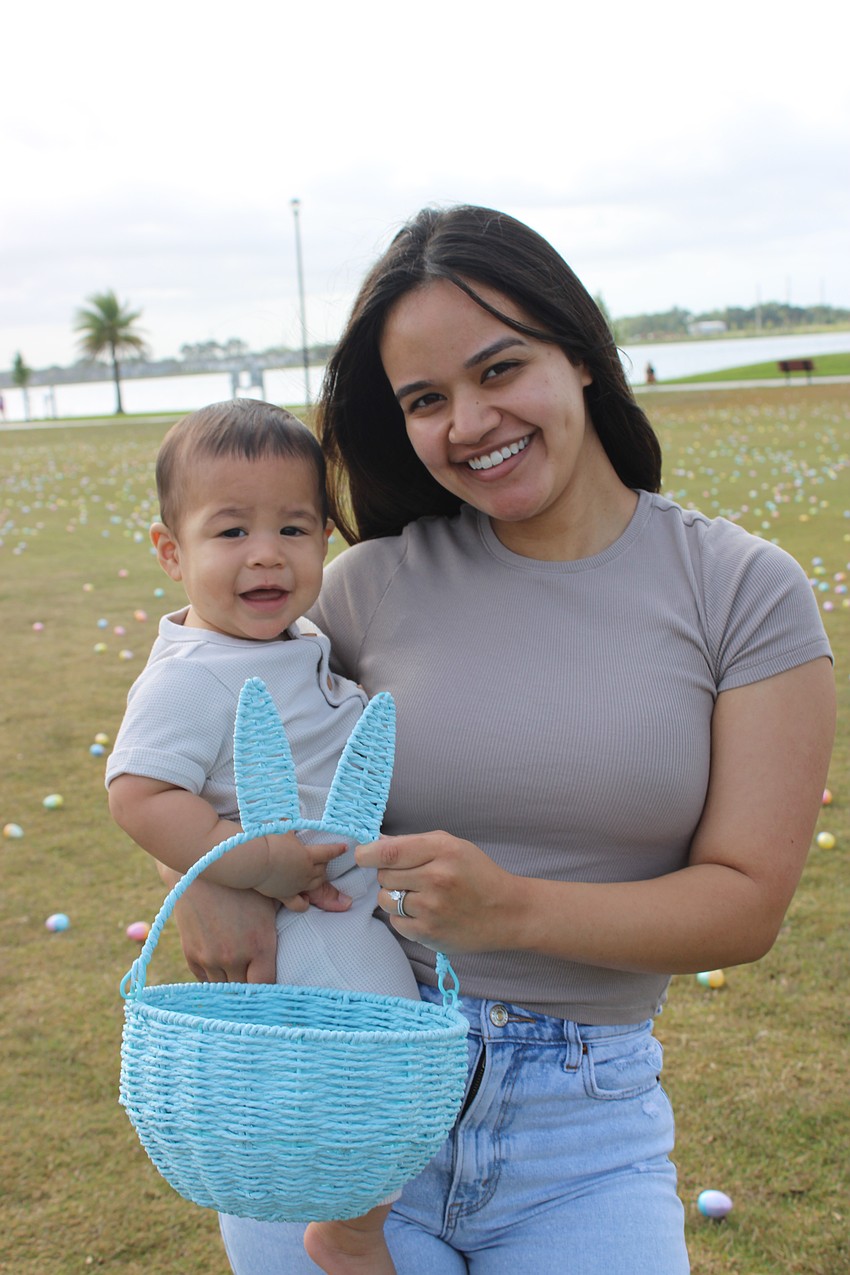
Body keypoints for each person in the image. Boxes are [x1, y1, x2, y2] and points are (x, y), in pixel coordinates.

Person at [166, 207, 835, 1274]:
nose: (468, 423)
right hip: (340, 1092)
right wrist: (209, 871)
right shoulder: (367, 586)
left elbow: (745, 903)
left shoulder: (742, 591)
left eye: (499, 370)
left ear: (577, 352)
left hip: (583, 1129)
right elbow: (196, 735)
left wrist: (514, 908)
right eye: (426, 400)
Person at [106, 399, 420, 1275]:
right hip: (299, 917)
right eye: (230, 530)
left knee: (386, 1056)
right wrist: (257, 860)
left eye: (293, 526)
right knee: (384, 1050)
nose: (266, 553)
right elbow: (137, 794)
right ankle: (352, 1230)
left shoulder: (295, 639)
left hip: (344, 906)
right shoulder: (194, 676)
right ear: (172, 552)